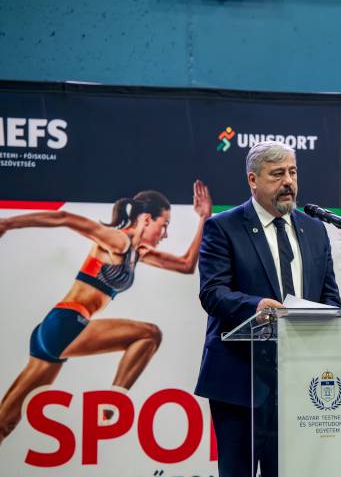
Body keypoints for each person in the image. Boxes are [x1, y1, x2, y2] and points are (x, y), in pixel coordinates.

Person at [0, 180, 212, 444]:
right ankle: (113, 405)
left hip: (54, 333)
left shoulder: (137, 252)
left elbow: (186, 265)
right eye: (164, 225)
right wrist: (7, 223)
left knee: (6, 422)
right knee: (149, 334)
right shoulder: (118, 240)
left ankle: (112, 404)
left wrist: (204, 218)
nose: (165, 234)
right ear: (147, 219)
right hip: (67, 324)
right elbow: (65, 218)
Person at [195, 141, 341, 477]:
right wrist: (255, 306)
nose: (288, 181)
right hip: (240, 380)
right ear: (253, 180)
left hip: (299, 381)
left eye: (292, 172)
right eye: (277, 174)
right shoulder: (223, 227)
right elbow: (212, 293)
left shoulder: (314, 229)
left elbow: (330, 299)